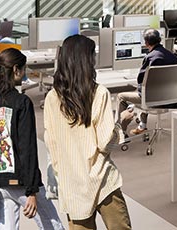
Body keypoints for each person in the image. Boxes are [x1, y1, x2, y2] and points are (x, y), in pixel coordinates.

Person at [0, 48, 65, 230]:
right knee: (52, 224)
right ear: (16, 70)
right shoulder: (21, 103)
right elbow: (27, 147)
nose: (25, 73)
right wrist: (32, 190)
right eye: (24, 69)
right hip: (21, 180)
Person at [43, 35, 131, 230]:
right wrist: (121, 123)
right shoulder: (99, 93)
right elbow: (105, 143)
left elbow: (51, 142)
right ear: (87, 60)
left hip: (71, 183)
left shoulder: (51, 97)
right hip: (102, 180)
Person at [117, 29, 177, 136]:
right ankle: (142, 125)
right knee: (143, 89)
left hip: (152, 99)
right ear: (160, 40)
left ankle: (120, 132)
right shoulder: (173, 57)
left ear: (146, 43)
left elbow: (140, 79)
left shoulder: (150, 57)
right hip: (170, 97)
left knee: (121, 96)